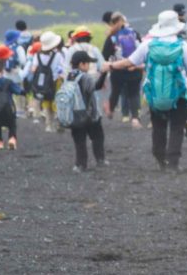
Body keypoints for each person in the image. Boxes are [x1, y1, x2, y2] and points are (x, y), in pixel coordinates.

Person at [133, 12, 187, 170]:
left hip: (155, 94)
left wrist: (110, 66)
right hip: (179, 94)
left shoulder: (147, 45)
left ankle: (160, 159)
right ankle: (173, 163)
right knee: (177, 127)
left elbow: (131, 61)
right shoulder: (182, 46)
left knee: (158, 127)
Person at [55, 38, 107, 170]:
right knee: (97, 137)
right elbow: (96, 86)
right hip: (89, 114)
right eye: (88, 63)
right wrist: (104, 73)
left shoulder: (69, 76)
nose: (89, 66)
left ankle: (80, 165)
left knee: (79, 142)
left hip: (74, 114)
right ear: (82, 64)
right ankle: (100, 159)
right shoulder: (85, 77)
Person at [102, 12, 143, 125]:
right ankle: (135, 118)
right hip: (134, 68)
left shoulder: (112, 37)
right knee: (134, 93)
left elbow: (104, 56)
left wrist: (104, 75)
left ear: (112, 23)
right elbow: (142, 50)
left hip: (118, 69)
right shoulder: (135, 33)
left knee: (115, 91)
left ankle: (111, 110)